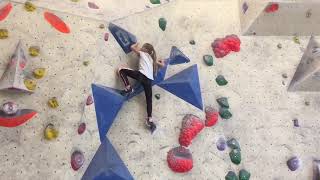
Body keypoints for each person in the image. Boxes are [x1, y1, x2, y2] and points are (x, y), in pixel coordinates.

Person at [118, 43, 166, 133]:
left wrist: (136, 44)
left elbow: (132, 47)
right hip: (149, 81)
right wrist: (162, 61)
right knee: (149, 100)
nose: (141, 48)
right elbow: (162, 65)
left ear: (146, 50)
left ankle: (128, 87)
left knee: (121, 70)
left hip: (141, 75)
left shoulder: (142, 53)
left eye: (143, 47)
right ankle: (150, 119)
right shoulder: (152, 60)